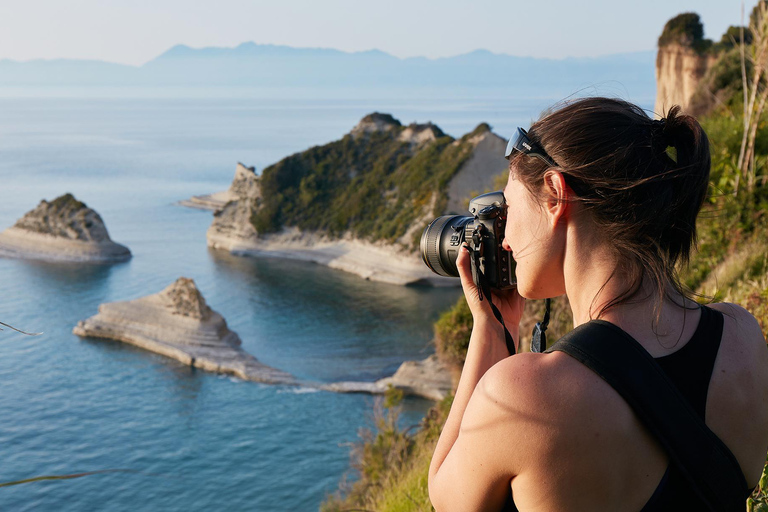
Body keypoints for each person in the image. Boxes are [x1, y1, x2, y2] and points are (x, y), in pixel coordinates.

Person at [427, 97, 768, 511]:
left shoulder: (523, 396)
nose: (504, 237)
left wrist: (490, 327)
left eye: (510, 208)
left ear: (555, 195)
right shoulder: (741, 336)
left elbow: (447, 500)